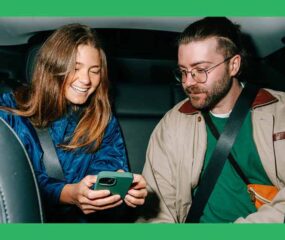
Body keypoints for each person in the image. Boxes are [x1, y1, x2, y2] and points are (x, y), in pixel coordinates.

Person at [139, 17, 285, 223]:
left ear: (233, 65)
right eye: (183, 71)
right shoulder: (173, 123)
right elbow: (157, 208)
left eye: (200, 70)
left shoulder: (280, 113)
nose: (188, 82)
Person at [0, 23, 147, 222]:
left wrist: (120, 189)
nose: (86, 79)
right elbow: (14, 181)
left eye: (94, 71)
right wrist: (67, 193)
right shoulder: (9, 112)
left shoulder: (102, 118)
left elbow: (108, 167)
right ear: (53, 66)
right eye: (75, 68)